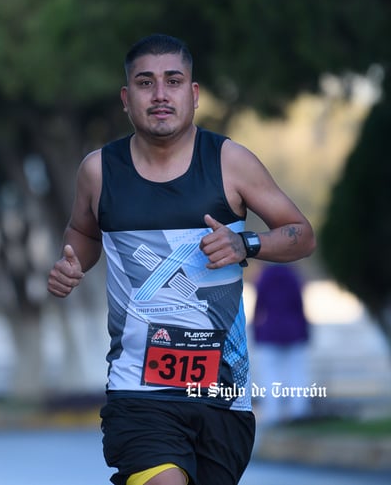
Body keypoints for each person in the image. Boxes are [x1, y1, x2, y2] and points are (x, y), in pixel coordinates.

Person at [47, 33, 315, 485]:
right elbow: (83, 232)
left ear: (193, 94)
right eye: (145, 83)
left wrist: (245, 244)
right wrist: (74, 263)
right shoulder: (100, 170)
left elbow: (301, 235)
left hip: (222, 395)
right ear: (126, 98)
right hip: (139, 392)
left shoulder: (230, 162)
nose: (160, 95)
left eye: (173, 81)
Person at [252, 263, 312, 427]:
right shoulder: (293, 277)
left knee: (270, 376)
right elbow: (299, 307)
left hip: (270, 331)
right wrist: (306, 332)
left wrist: (255, 333)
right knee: (297, 374)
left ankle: (273, 413)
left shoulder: (264, 278)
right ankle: (298, 411)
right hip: (294, 331)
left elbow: (259, 307)